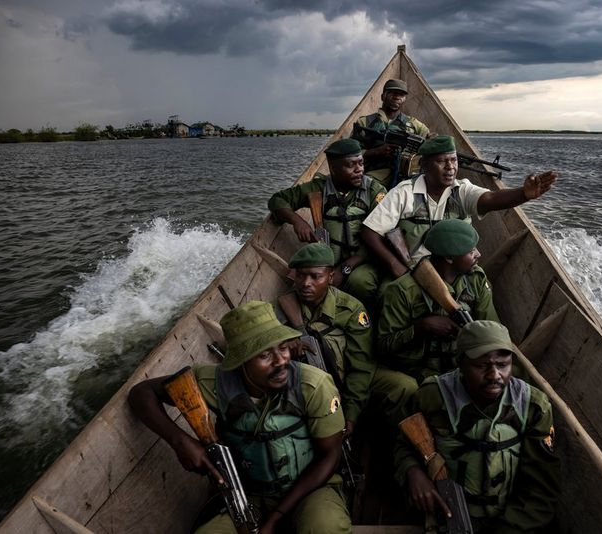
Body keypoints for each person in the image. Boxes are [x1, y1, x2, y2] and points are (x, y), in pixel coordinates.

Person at [128, 300, 351, 534]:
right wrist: (180, 441)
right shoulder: (211, 383)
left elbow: (330, 456)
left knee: (326, 527)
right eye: (265, 355)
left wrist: (275, 518)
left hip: (311, 489)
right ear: (240, 363)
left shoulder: (312, 385)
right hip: (246, 493)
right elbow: (141, 393)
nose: (281, 361)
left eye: (283, 348)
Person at [395, 320, 559, 533]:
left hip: (510, 522)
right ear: (461, 364)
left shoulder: (532, 407)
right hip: (445, 512)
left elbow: (540, 490)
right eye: (481, 366)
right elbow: (402, 444)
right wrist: (413, 472)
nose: (494, 376)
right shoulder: (433, 397)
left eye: (502, 365)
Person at [362, 134, 557, 278]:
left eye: (453, 160)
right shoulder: (404, 192)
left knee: (479, 287)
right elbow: (370, 232)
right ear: (424, 165)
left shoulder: (462, 189)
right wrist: (395, 265)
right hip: (413, 270)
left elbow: (490, 199)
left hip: (456, 270)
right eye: (441, 161)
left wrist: (523, 194)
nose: (450, 167)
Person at [279, 243, 415, 435]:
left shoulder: (350, 309)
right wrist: (283, 346)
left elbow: (361, 365)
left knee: (405, 387)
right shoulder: (284, 308)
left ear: (330, 277)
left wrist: (350, 414)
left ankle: (387, 441)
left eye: (315, 276)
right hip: (316, 384)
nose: (306, 283)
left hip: (355, 373)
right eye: (301, 275)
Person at [376, 219, 500, 383]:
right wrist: (421, 328)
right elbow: (383, 346)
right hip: (417, 370)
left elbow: (491, 326)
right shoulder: (402, 290)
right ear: (449, 258)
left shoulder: (475, 278)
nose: (478, 254)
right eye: (470, 252)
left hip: (460, 364)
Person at [268, 138, 386, 308]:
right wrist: (297, 221)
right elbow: (277, 200)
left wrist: (345, 268)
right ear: (333, 168)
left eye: (361, 163)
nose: (359, 169)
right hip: (329, 259)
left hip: (363, 260)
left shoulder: (374, 191)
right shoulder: (319, 188)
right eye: (351, 165)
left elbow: (380, 237)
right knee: (302, 284)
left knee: (360, 283)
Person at [352, 78, 431, 188]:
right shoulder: (365, 122)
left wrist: (432, 138)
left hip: (405, 177)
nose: (397, 97)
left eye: (401, 95)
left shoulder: (413, 124)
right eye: (393, 93)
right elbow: (350, 155)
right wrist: (376, 152)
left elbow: (430, 138)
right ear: (383, 96)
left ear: (404, 99)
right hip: (374, 176)